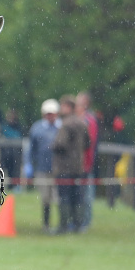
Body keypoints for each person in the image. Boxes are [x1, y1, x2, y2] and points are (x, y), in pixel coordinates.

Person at [52, 95, 90, 233]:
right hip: (78, 168)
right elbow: (88, 144)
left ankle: (63, 226)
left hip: (64, 168)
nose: (61, 109)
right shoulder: (82, 123)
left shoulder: (66, 124)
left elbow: (60, 144)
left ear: (69, 107)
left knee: (64, 198)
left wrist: (53, 146)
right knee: (77, 197)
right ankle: (78, 225)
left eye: (63, 106)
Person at [27, 99, 61, 233]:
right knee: (45, 198)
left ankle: (62, 224)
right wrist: (29, 164)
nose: (50, 116)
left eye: (52, 114)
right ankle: (46, 224)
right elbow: (31, 149)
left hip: (58, 169)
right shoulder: (37, 128)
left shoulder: (61, 127)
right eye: (47, 114)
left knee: (58, 197)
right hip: (42, 168)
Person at [76, 91, 98, 229]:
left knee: (86, 196)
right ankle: (79, 221)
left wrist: (86, 163)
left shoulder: (88, 120)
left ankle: (85, 222)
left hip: (85, 165)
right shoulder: (82, 119)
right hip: (79, 164)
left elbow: (89, 144)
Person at [0, 109, 23, 189]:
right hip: (5, 153)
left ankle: (15, 187)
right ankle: (4, 185)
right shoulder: (3, 127)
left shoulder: (19, 127)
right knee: (4, 170)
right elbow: (0, 138)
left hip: (16, 154)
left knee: (15, 171)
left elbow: (20, 138)